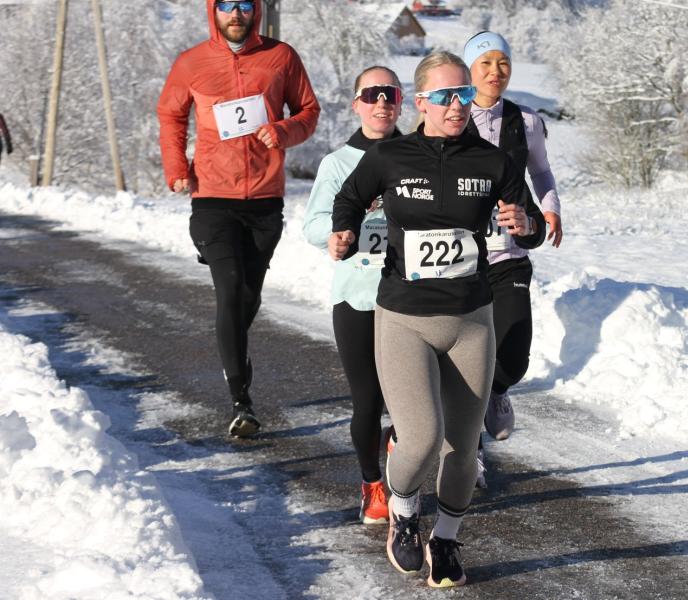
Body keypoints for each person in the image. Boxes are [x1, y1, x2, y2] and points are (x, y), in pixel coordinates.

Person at [332, 51, 544, 588]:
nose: (458, 105)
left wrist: (525, 223)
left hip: (471, 319)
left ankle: (445, 539)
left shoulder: (493, 161)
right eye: (446, 96)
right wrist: (344, 232)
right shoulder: (391, 156)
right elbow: (349, 198)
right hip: (404, 317)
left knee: (464, 451)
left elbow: (533, 226)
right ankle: (403, 512)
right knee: (421, 439)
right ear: (421, 100)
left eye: (465, 95)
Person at [157, 0, 319, 437]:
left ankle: (235, 347)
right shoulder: (191, 62)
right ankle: (240, 401)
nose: (235, 13)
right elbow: (171, 113)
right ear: (214, 10)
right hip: (212, 198)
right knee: (229, 290)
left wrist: (283, 132)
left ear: (256, 11)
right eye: (226, 5)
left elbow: (309, 111)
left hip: (265, 201)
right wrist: (176, 168)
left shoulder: (280, 56)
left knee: (247, 297)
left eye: (244, 5)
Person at [302, 66, 402, 525]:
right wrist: (337, 233)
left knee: (412, 402)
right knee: (368, 400)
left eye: (390, 94)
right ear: (357, 103)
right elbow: (313, 223)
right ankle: (372, 483)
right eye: (372, 95)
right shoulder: (337, 163)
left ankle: (404, 470)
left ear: (401, 102)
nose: (382, 103)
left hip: (411, 295)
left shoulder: (418, 155)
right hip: (358, 295)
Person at [462, 31, 564, 443]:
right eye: (485, 63)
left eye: (502, 63)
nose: (495, 72)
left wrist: (551, 207)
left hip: (510, 252)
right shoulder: (451, 117)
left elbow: (540, 171)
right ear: (470, 69)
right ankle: (469, 453)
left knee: (515, 356)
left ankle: (497, 390)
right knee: (464, 360)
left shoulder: (526, 121)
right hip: (460, 256)